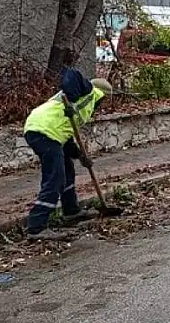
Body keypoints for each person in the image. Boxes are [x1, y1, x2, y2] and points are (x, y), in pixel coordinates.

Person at [23, 69, 113, 240]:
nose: (104, 106)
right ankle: (36, 227)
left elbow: (68, 138)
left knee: (67, 170)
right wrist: (71, 97)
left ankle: (71, 211)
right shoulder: (89, 90)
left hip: (49, 131)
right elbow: (71, 74)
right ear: (103, 96)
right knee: (55, 178)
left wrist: (80, 156)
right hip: (44, 130)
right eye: (106, 101)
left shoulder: (85, 104)